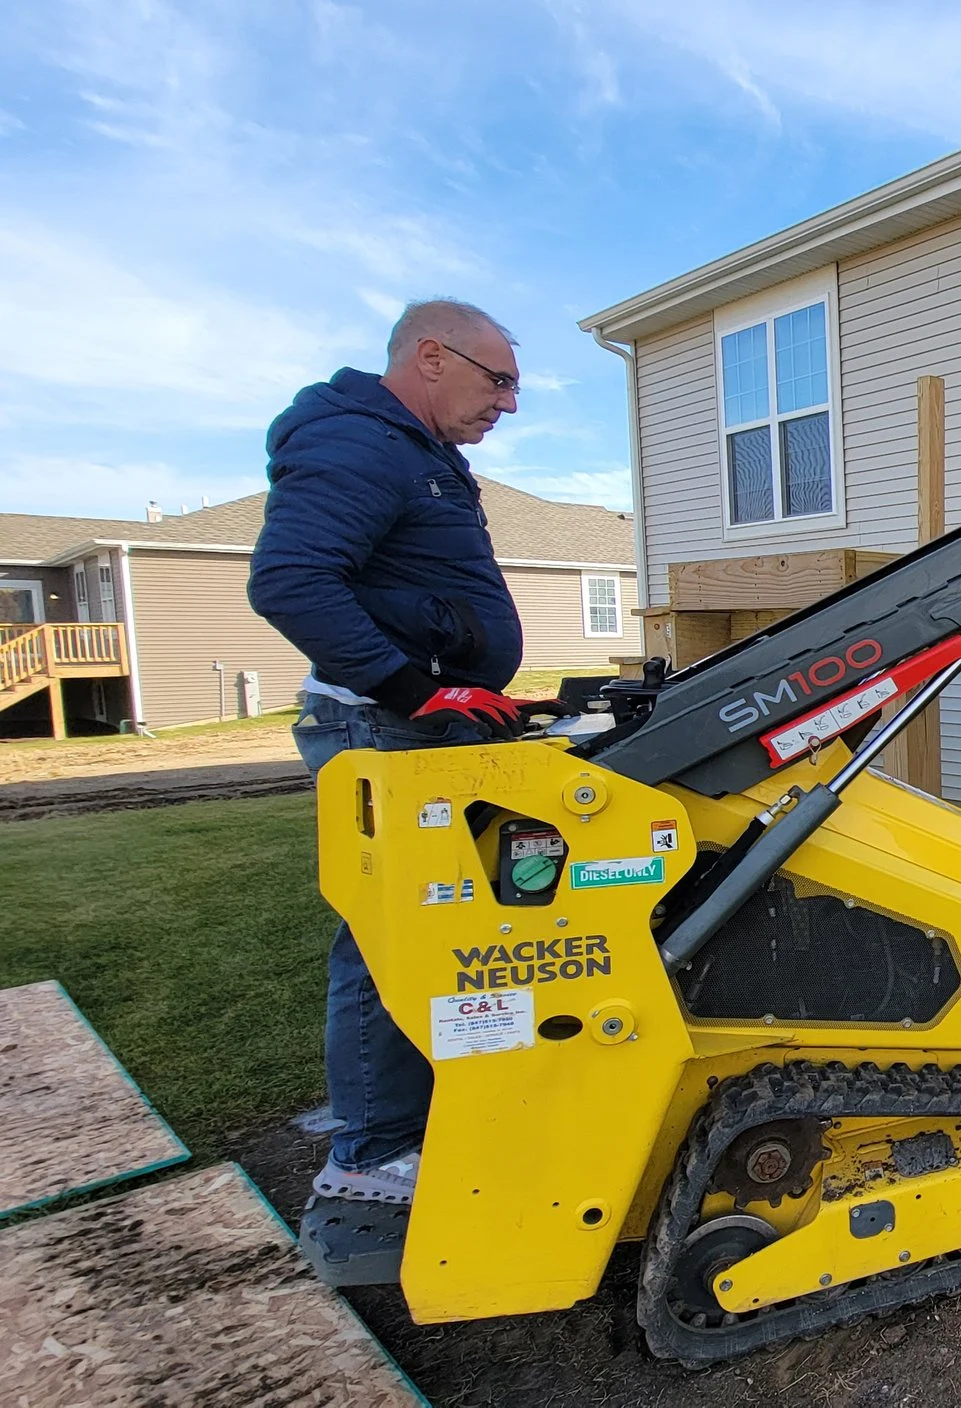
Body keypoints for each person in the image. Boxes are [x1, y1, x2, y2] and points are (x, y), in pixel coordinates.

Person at [248, 298, 549, 1203]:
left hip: (425, 722)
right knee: (393, 937)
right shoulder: (362, 442)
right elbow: (291, 580)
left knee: (455, 926)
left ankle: (430, 1109)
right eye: (497, 381)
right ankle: (374, 1153)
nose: (507, 404)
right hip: (384, 728)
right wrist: (412, 689)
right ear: (431, 356)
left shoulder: (421, 456)